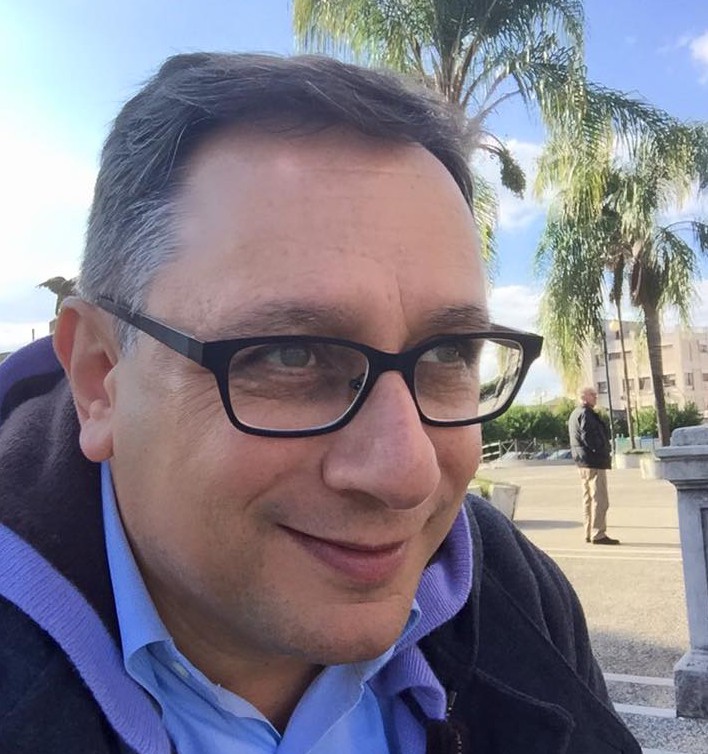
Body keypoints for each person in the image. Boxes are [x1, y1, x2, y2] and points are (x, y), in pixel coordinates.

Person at [0, 53, 639, 754]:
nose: (408, 474)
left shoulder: (510, 591)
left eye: (449, 354)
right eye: (292, 356)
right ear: (100, 378)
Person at [568, 386, 620, 545]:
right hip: (594, 462)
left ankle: (588, 532)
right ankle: (598, 533)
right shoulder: (586, 414)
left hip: (583, 462)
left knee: (588, 499)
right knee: (600, 499)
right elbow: (589, 437)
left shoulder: (575, 414)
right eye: (592, 395)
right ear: (583, 397)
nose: (596, 397)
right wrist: (601, 450)